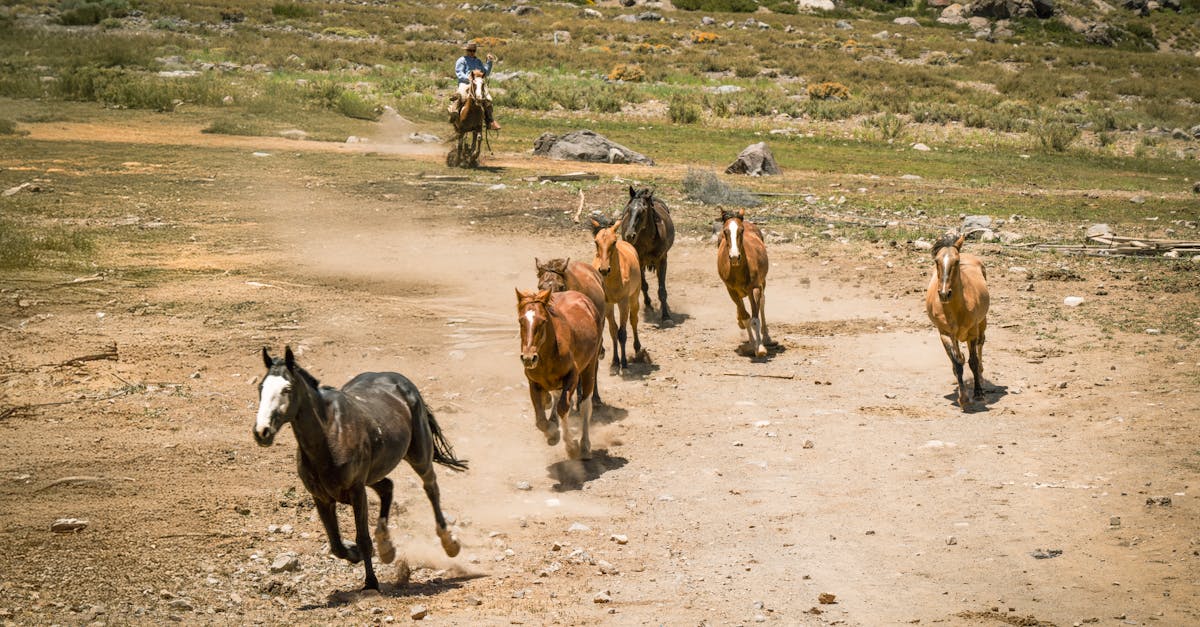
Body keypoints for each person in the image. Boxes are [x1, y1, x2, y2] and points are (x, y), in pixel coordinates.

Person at [453, 42, 501, 130]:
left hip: (478, 82)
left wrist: (489, 62)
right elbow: (459, 73)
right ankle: (455, 114)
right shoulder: (461, 60)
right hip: (465, 82)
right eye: (470, 50)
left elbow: (485, 73)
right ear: (466, 51)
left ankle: (490, 121)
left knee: (488, 99)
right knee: (461, 95)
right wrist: (469, 78)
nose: (471, 52)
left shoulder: (478, 61)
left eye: (473, 51)